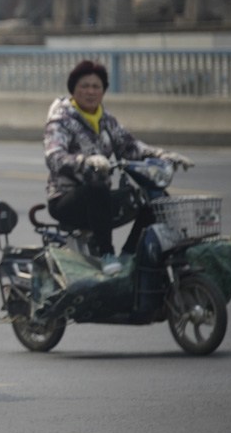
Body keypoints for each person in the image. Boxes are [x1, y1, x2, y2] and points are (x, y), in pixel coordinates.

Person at [45, 59, 193, 276]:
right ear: (73, 90)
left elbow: (131, 147)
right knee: (96, 187)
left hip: (100, 202)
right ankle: (107, 254)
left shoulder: (106, 120)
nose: (90, 92)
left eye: (96, 87)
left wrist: (164, 155)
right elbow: (54, 157)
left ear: (103, 91)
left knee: (153, 198)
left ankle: (128, 256)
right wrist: (86, 162)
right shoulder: (61, 120)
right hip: (66, 200)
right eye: (84, 86)